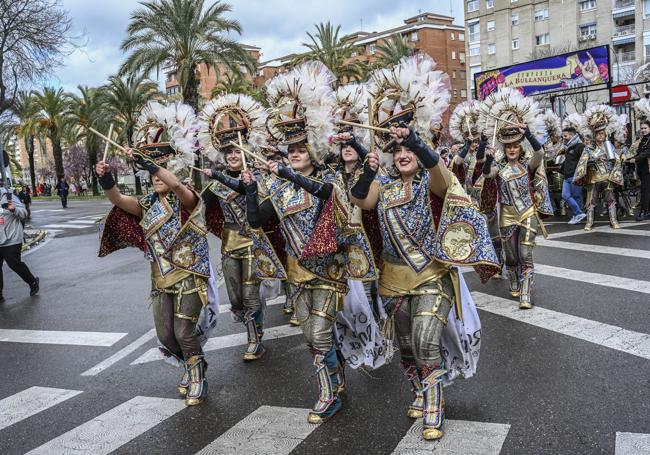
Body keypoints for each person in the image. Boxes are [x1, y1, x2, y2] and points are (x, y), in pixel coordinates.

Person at [351, 55, 499, 442]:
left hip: (432, 277)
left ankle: (435, 403)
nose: (403, 155)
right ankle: (420, 388)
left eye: (410, 149)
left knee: (425, 340)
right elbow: (360, 200)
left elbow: (442, 175)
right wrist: (367, 168)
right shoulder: (382, 185)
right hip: (392, 280)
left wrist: (414, 138)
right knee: (405, 346)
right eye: (397, 149)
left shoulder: (432, 180)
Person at [245, 62, 378, 424]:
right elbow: (257, 220)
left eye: (301, 146)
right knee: (312, 338)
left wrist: (287, 174)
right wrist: (247, 188)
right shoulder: (276, 185)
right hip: (296, 274)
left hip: (330, 270)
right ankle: (336, 380)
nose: (295, 151)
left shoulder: (330, 176)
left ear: (314, 147)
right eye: (290, 147)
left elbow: (325, 196)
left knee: (319, 333)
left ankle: (327, 394)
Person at [97, 101, 213, 406]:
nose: (157, 176)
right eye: (153, 171)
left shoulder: (186, 196)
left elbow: (175, 183)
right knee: (165, 336)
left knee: (184, 331)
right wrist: (106, 178)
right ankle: (193, 364)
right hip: (160, 279)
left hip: (190, 276)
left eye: (161, 169)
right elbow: (119, 200)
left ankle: (197, 374)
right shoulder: (147, 203)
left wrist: (148, 161)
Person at [197, 93, 269, 361]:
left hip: (253, 242)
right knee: (236, 298)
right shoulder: (217, 182)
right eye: (227, 153)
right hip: (229, 245)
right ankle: (252, 328)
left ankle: (255, 339)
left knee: (251, 295)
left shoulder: (258, 177)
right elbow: (195, 206)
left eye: (237, 151)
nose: (232, 156)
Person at [481, 87, 553, 309]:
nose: (512, 149)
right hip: (508, 217)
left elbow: (540, 153)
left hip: (527, 213)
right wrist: (487, 158)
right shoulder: (499, 167)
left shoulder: (528, 164)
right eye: (508, 146)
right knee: (511, 258)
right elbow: (485, 174)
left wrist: (528, 132)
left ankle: (526, 294)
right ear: (504, 147)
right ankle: (513, 278)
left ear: (520, 147)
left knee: (525, 254)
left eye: (515, 146)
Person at [449, 100, 502, 275]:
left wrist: (484, 147)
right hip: (472, 200)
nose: (474, 144)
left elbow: (485, 167)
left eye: (478, 141)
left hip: (489, 197)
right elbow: (456, 163)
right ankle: (486, 262)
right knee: (478, 236)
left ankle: (499, 260)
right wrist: (465, 147)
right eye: (472, 141)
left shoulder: (492, 153)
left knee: (495, 236)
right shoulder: (464, 156)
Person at [573, 105, 623, 230]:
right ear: (594, 135)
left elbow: (617, 159)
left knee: (610, 199)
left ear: (605, 134)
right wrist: (595, 159)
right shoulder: (588, 148)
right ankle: (589, 222)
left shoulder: (609, 147)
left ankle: (614, 221)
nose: (600, 136)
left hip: (607, 177)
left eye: (602, 134)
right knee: (591, 201)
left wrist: (617, 159)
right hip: (593, 177)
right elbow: (582, 163)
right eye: (598, 134)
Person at [0, 188, 39, 303]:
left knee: (14, 264)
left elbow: (24, 213)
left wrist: (14, 209)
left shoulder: (9, 197)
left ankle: (32, 281)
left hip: (11, 239)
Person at [560, 113, 587, 224]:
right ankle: (579, 213)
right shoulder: (568, 147)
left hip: (575, 176)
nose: (564, 138)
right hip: (567, 176)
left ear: (571, 135)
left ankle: (577, 215)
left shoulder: (580, 146)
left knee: (577, 196)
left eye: (565, 136)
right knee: (565, 196)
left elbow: (585, 160)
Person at [631, 119, 650, 221]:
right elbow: (639, 152)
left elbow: (647, 152)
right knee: (646, 190)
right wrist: (629, 158)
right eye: (642, 128)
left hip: (648, 170)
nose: (643, 130)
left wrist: (636, 159)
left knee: (645, 191)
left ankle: (644, 211)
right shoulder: (643, 139)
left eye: (645, 128)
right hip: (643, 170)